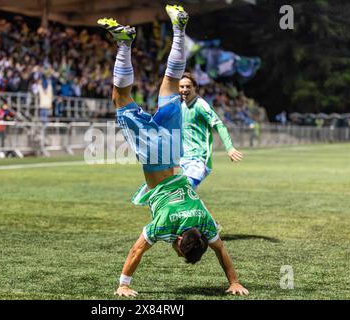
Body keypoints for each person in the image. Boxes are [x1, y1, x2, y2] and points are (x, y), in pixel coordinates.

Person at [98, 4, 248, 298]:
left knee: (169, 82)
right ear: (180, 243)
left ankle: (179, 30)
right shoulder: (165, 226)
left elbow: (221, 250)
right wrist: (123, 285)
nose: (176, 252)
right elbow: (137, 249)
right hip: (155, 155)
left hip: (174, 146)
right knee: (119, 97)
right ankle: (124, 43)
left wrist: (233, 281)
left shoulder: (206, 222)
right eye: (178, 252)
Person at [179, 73, 243, 189]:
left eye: (188, 86)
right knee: (181, 198)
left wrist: (229, 148)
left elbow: (219, 125)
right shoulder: (181, 106)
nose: (184, 89)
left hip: (199, 160)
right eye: (182, 86)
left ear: (195, 88)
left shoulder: (201, 105)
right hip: (184, 160)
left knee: (183, 192)